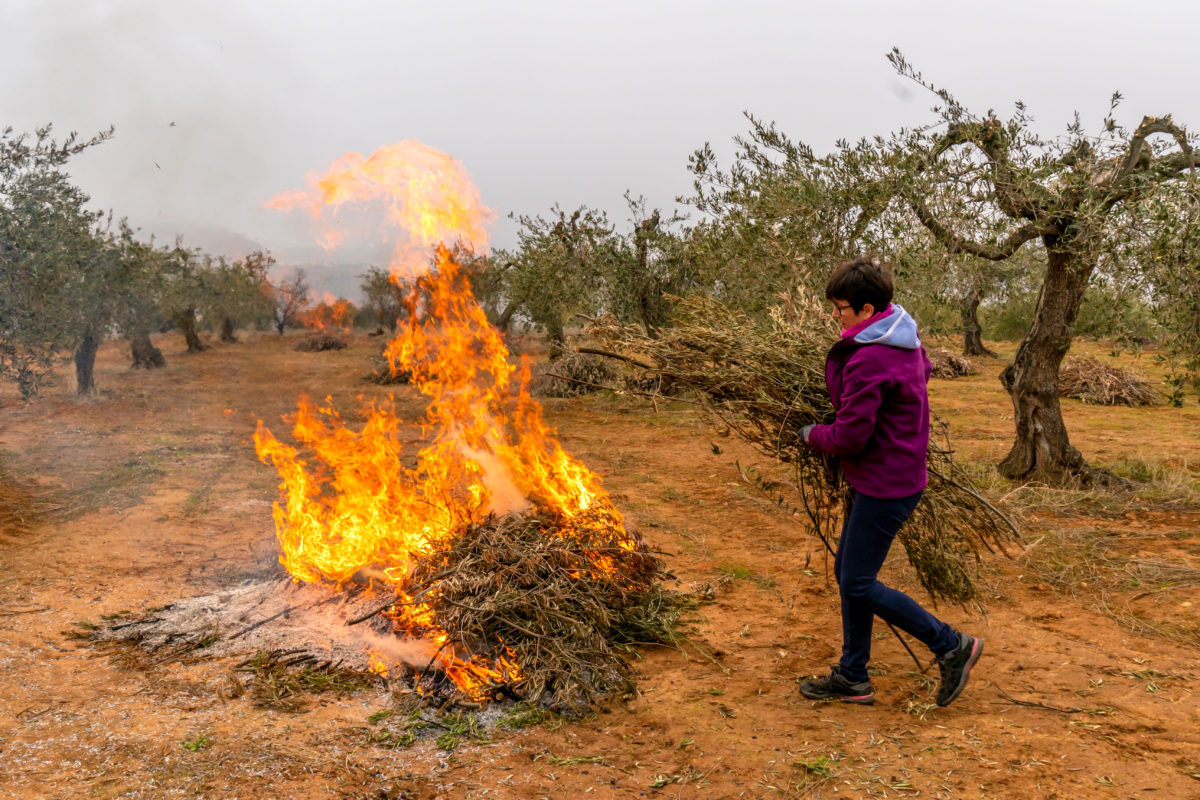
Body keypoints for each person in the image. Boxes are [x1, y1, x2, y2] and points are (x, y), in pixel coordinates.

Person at [797, 255, 982, 707]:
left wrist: (811, 435)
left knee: (857, 581)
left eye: (840, 307)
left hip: (886, 484)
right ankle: (853, 675)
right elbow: (917, 377)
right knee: (849, 573)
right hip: (894, 474)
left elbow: (850, 435)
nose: (835, 315)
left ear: (865, 309)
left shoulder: (871, 358)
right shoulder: (903, 337)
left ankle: (950, 645)